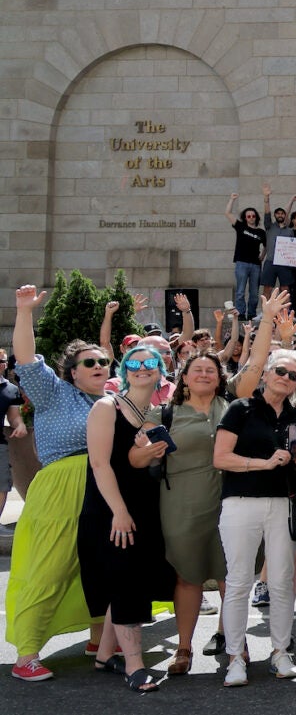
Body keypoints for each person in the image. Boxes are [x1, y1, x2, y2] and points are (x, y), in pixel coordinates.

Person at [6, 285, 105, 682]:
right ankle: (26, 654)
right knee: (49, 568)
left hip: (104, 487)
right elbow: (26, 358)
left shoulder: (114, 400)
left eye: (102, 361)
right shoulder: (52, 393)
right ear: (72, 371)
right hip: (61, 487)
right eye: (90, 362)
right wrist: (25, 311)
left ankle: (102, 639)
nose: (99, 365)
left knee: (101, 566)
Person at [212, 322, 296, 686]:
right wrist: (264, 463)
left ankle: (280, 652)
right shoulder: (240, 408)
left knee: (283, 581)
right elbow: (220, 457)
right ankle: (235, 656)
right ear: (267, 373)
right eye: (281, 371)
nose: (286, 378)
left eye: (294, 376)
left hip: (283, 503)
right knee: (239, 581)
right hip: (240, 501)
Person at [79, 343, 178, 694]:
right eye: (133, 363)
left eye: (150, 362)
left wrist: (151, 455)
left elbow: (147, 466)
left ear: (160, 369)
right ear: (123, 370)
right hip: (111, 508)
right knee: (126, 582)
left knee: (131, 579)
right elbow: (100, 464)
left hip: (144, 506)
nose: (142, 367)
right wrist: (119, 511)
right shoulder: (108, 406)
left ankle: (106, 655)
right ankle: (134, 665)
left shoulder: (157, 412)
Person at [151, 350, 230, 674]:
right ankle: (184, 648)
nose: (203, 374)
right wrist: (144, 452)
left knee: (231, 576)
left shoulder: (233, 409)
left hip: (230, 502)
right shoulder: (164, 414)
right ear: (183, 377)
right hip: (181, 503)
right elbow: (138, 457)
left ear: (220, 377)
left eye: (210, 370)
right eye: (196, 369)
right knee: (187, 576)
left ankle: (233, 642)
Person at [226, 193, 266, 320]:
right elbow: (227, 213)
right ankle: (241, 314)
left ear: (256, 217)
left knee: (254, 293)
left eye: (253, 216)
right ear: (245, 217)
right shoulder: (240, 226)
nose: (251, 217)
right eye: (248, 216)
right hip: (241, 263)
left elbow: (267, 246)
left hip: (255, 264)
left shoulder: (261, 232)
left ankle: (252, 314)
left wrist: (262, 256)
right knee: (240, 291)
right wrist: (232, 199)